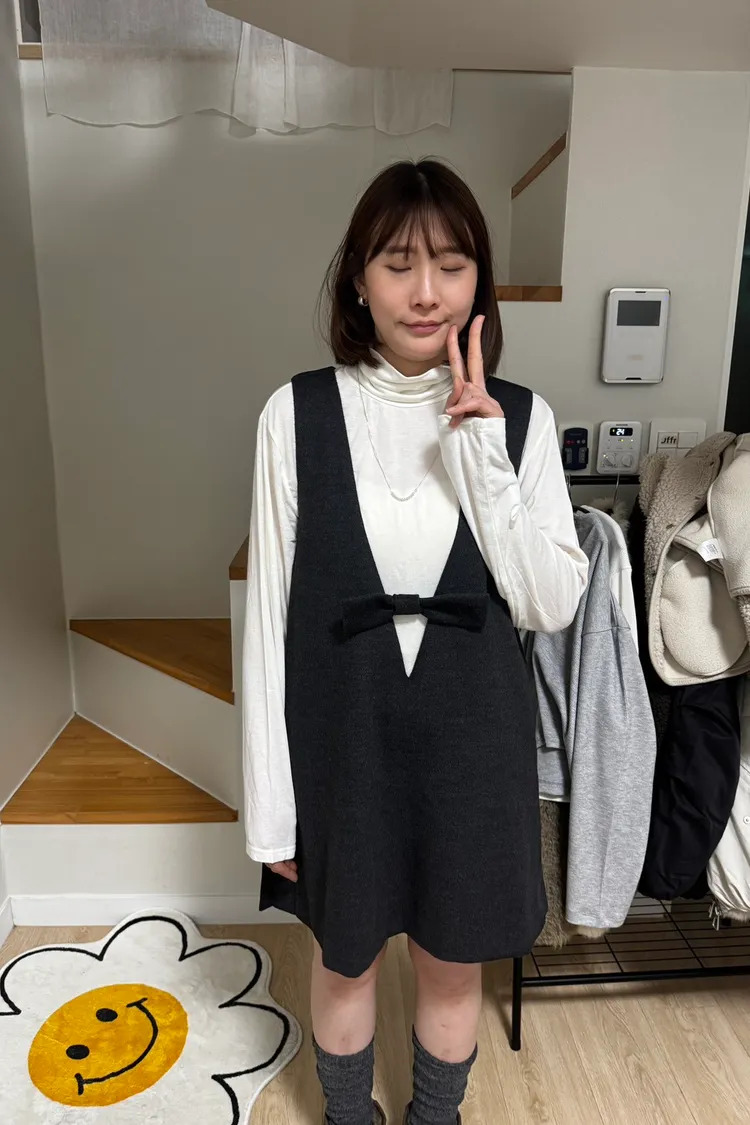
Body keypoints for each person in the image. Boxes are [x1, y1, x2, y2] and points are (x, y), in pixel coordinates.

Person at [242, 159, 589, 1125]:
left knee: (450, 964)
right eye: (399, 264)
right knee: (343, 959)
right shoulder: (293, 413)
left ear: (480, 281)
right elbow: (267, 622)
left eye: (452, 264)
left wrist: (483, 454)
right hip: (341, 742)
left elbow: (550, 601)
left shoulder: (523, 419)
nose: (427, 291)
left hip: (472, 747)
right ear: (359, 278)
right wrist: (271, 812)